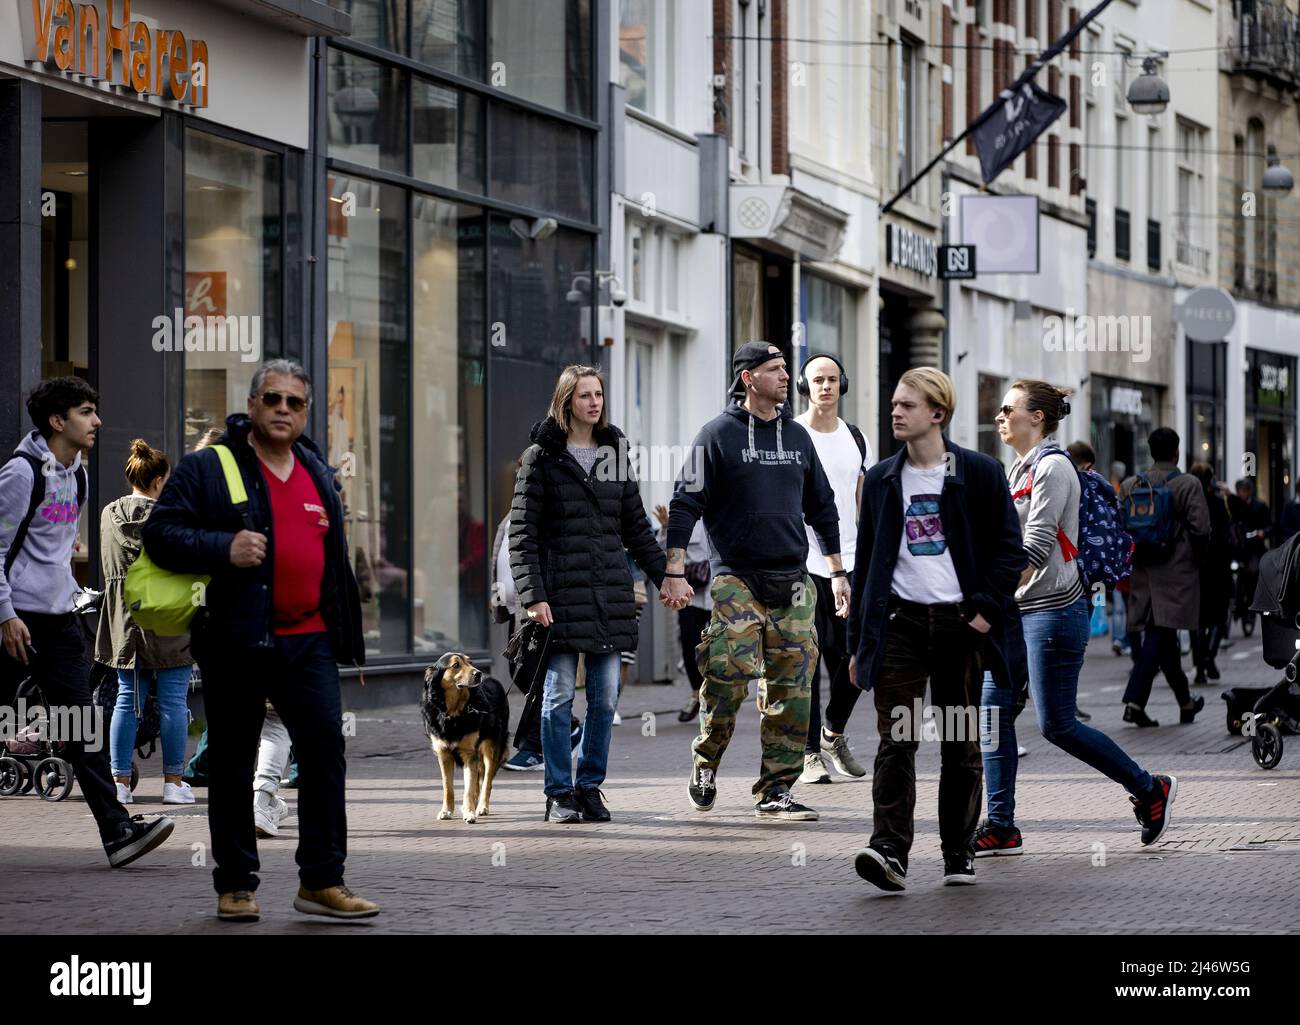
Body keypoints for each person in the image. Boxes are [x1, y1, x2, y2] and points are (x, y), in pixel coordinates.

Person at [144, 359, 377, 922]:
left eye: (295, 403)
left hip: (309, 640)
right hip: (236, 638)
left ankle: (321, 881)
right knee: (231, 759)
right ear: (252, 405)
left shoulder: (317, 469)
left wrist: (345, 625)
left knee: (324, 753)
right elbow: (160, 534)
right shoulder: (209, 467)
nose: (283, 410)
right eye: (273, 399)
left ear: (305, 412)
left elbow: (330, 556)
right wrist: (222, 547)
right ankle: (236, 886)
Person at [973, 382, 1179, 860]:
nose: (999, 416)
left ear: (1037, 418)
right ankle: (1000, 825)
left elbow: (1037, 544)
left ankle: (1149, 789)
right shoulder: (1017, 468)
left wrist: (990, 599)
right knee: (992, 713)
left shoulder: (1053, 468)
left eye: (1008, 409)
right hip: (1018, 611)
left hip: (1053, 610)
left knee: (1057, 724)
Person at [845, 368, 1025, 891]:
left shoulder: (980, 473)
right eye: (894, 404)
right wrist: (862, 643)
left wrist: (986, 611)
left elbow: (1008, 550)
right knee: (895, 740)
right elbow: (870, 569)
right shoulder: (880, 480)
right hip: (900, 625)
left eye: (907, 405)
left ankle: (957, 852)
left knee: (960, 741)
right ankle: (888, 851)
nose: (895, 412)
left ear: (938, 414)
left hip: (959, 626)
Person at [663, 341, 847, 822]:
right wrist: (675, 570)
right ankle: (705, 762)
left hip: (794, 580)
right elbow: (685, 505)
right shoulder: (717, 435)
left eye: (787, 368)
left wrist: (838, 571)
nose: (787, 376)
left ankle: (775, 790)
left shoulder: (799, 437)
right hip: (736, 580)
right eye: (775, 369)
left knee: (793, 690)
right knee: (728, 679)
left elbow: (823, 508)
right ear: (748, 378)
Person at [0, 378, 174, 867]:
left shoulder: (77, 476)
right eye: (85, 411)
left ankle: (118, 832)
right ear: (58, 421)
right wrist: (6, 614)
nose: (96, 421)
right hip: (13, 620)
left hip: (55, 623)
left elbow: (55, 548)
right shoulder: (20, 473)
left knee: (81, 726)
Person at [510, 364, 670, 824]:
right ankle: (559, 792)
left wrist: (666, 578)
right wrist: (533, 596)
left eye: (598, 394)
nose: (594, 402)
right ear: (566, 401)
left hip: (609, 596)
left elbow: (637, 528)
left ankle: (590, 787)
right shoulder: (540, 458)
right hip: (559, 598)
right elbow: (522, 535)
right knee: (558, 696)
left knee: (605, 700)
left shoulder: (615, 453)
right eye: (584, 395)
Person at [95, 439, 195, 806]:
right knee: (172, 703)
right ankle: (172, 783)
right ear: (158, 481)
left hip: (124, 620)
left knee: (126, 701)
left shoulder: (108, 514)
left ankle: (119, 783)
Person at [794, 353, 872, 784]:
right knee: (808, 660)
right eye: (817, 380)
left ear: (843, 385)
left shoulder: (855, 438)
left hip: (852, 561)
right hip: (803, 565)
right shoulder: (791, 435)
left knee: (857, 656)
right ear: (805, 386)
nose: (825, 386)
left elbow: (862, 501)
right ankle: (808, 753)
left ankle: (833, 733)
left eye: (832, 379)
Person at [1119, 428, 1210, 727]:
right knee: (1159, 634)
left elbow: (1121, 527)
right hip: (1177, 570)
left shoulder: (1131, 484)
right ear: (1177, 451)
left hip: (1144, 571)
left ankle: (1186, 702)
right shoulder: (1188, 484)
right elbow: (1201, 529)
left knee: (1163, 636)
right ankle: (1133, 702)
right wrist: (1197, 561)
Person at [492, 503, 583, 772]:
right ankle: (569, 728)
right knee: (520, 672)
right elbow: (502, 557)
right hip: (515, 609)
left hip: (536, 607)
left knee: (535, 676)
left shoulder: (544, 511)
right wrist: (497, 594)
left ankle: (536, 747)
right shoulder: (513, 511)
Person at [653, 506, 713, 723]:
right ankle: (696, 693)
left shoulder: (728, 510)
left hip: (721, 594)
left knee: (723, 646)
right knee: (690, 644)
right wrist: (666, 528)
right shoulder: (685, 518)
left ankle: (719, 699)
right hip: (692, 594)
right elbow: (664, 551)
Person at [1188, 464, 1232, 686]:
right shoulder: (1217, 503)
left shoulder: (1188, 504)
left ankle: (1200, 665)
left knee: (1196, 619)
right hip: (1218, 569)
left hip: (1195, 569)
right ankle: (1209, 656)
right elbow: (1228, 534)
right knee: (1217, 616)